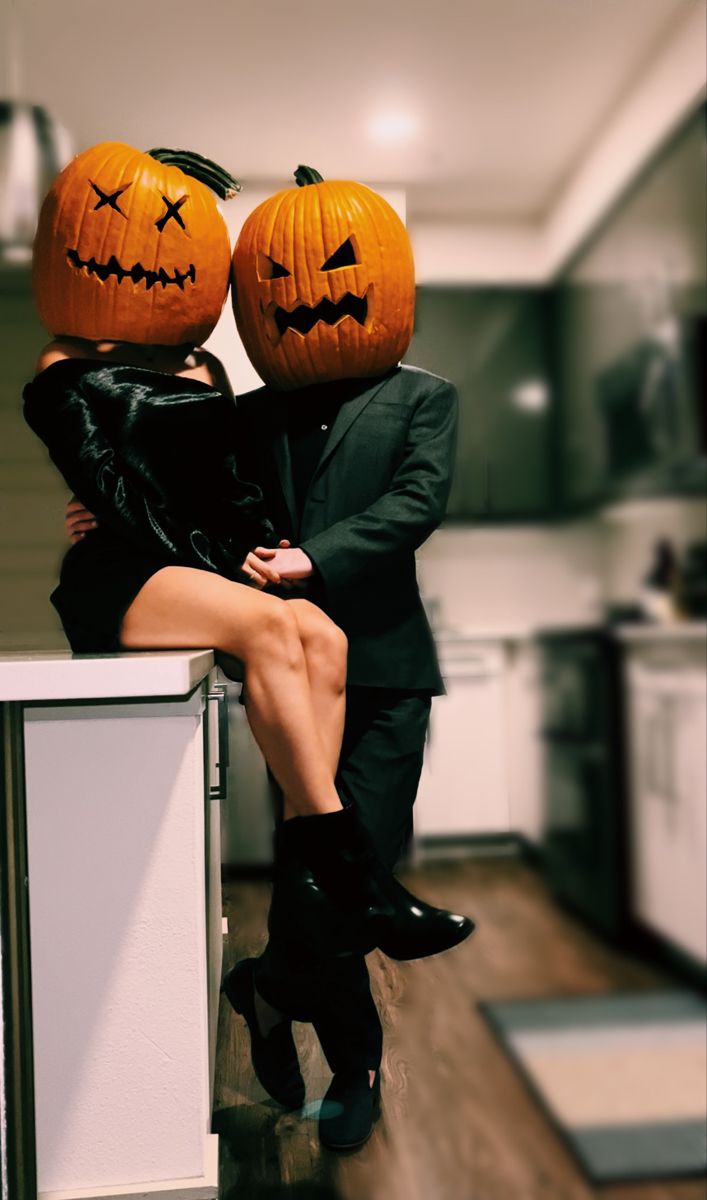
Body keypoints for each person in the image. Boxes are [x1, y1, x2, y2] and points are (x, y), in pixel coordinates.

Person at [26, 142, 473, 1038]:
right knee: (316, 841)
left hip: (359, 648)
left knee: (320, 667)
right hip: (181, 586)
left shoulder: (410, 397)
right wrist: (110, 523)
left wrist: (278, 561)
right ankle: (355, 1045)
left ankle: (272, 984)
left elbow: (406, 503)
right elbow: (138, 484)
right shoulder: (106, 371)